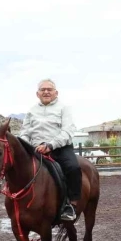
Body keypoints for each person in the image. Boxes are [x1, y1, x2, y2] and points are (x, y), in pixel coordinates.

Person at [19, 79, 81, 221]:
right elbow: (24, 132)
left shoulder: (64, 108)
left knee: (73, 168)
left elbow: (67, 131)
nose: (46, 92)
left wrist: (50, 145)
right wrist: (27, 145)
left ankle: (71, 204)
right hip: (35, 149)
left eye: (49, 89)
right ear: (37, 94)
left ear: (56, 93)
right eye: (43, 89)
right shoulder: (31, 111)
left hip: (59, 148)